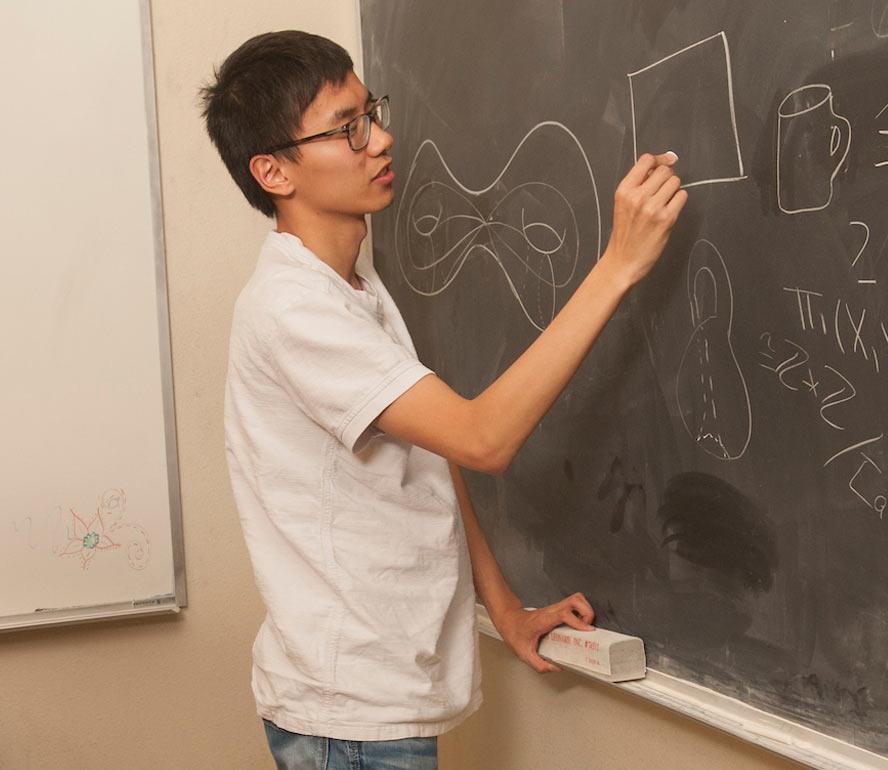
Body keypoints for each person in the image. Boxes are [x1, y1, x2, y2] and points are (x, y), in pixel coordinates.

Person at [201, 30, 687, 769]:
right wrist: (616, 268)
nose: (382, 139)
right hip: (350, 719)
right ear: (273, 170)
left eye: (373, 112)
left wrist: (506, 611)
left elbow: (434, 454)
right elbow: (479, 438)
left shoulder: (354, 288)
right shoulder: (293, 311)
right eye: (349, 128)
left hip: (381, 701)